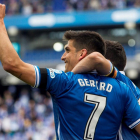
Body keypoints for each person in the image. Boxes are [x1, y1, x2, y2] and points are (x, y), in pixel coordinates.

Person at [0, 4, 140, 140]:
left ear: (82, 54)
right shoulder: (122, 89)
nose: (63, 56)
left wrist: (0, 22)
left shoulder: (65, 82)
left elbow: (12, 64)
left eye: (67, 50)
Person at [72, 40, 140, 140]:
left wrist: (69, 79)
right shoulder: (127, 85)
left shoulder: (120, 84)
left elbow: (95, 59)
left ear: (105, 62)